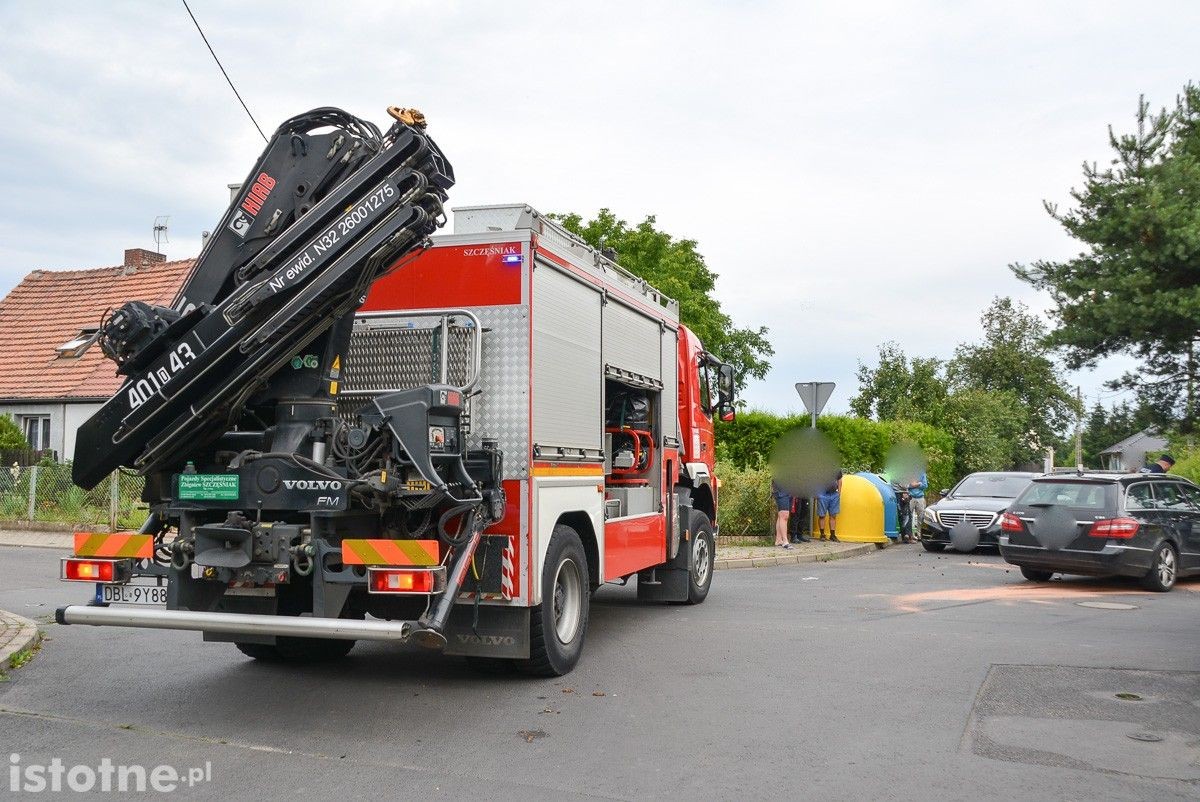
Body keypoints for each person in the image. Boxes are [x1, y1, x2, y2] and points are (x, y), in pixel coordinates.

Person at [816, 470, 842, 541]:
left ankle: (832, 535)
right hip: (822, 494)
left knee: (833, 515)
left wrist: (839, 493)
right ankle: (822, 535)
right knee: (822, 515)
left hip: (834, 494)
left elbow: (839, 480)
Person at [905, 471, 927, 543]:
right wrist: (918, 484)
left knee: (921, 517)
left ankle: (919, 534)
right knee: (909, 517)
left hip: (920, 497)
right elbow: (907, 485)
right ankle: (911, 535)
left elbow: (925, 485)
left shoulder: (922, 473)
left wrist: (915, 484)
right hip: (910, 497)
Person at [771, 480, 793, 549]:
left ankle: (778, 540)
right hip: (781, 489)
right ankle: (785, 541)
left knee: (781, 515)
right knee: (784, 515)